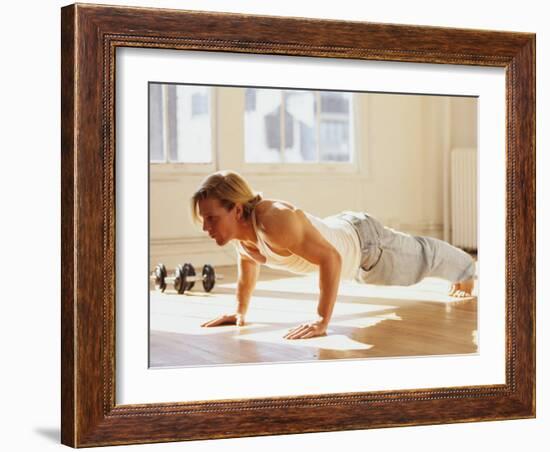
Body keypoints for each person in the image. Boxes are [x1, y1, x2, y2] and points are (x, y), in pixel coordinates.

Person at [191, 170, 476, 340]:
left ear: (237, 210)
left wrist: (320, 321)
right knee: (412, 263)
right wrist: (240, 311)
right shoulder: (241, 235)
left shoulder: (272, 220)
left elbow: (331, 259)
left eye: (211, 218)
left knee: (422, 261)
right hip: (350, 246)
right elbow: (248, 268)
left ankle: (467, 269)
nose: (205, 227)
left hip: (367, 248)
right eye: (204, 219)